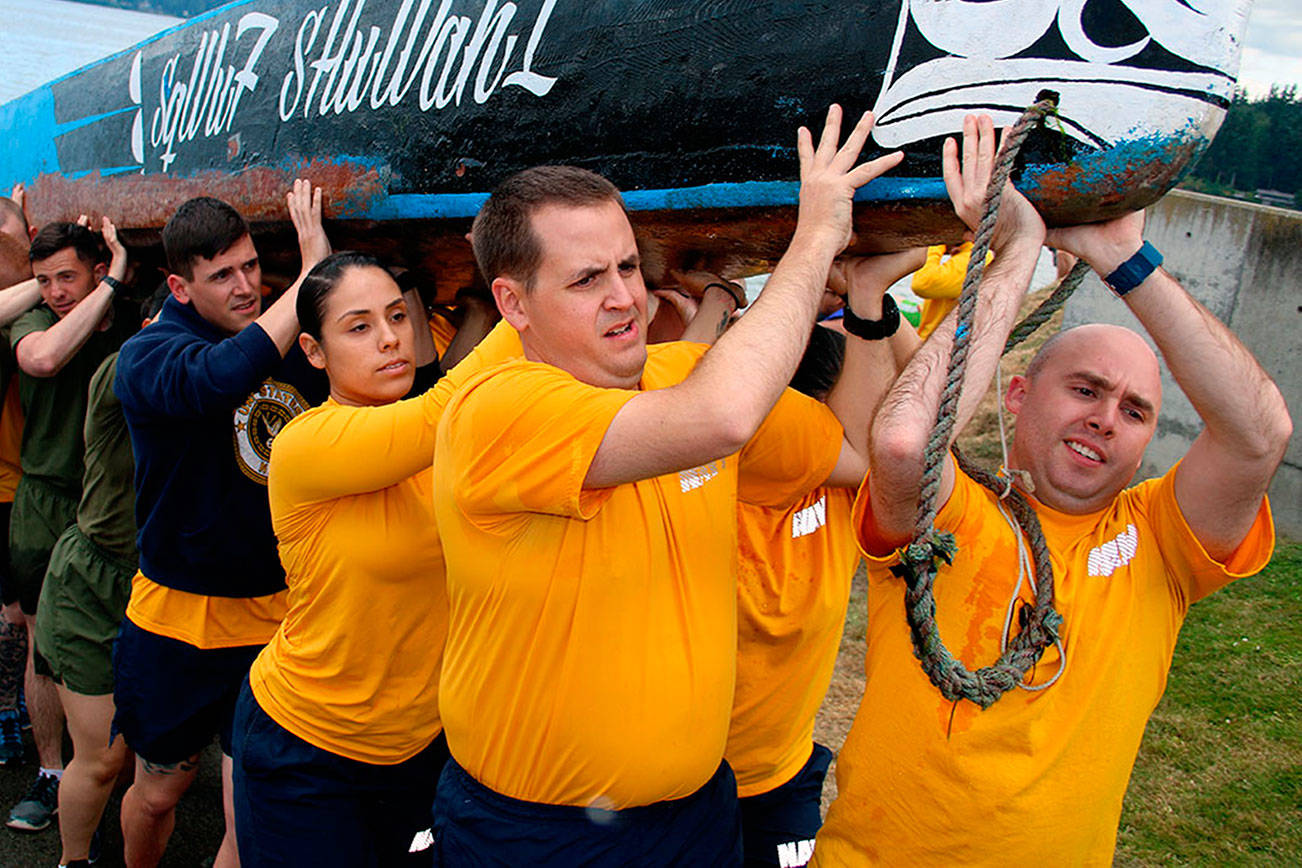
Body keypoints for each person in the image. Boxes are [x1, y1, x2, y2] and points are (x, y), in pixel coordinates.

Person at [812, 115, 1291, 864]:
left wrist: (1122, 256)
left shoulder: (1160, 541)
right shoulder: (957, 511)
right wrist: (1017, 250)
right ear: (1017, 394)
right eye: (1086, 389)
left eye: (1135, 411)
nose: (1105, 419)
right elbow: (906, 442)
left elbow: (1259, 435)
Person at [430, 105, 902, 864]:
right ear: (513, 304)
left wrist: (872, 306)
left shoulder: (679, 375)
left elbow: (860, 451)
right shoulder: (496, 411)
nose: (623, 297)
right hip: (538, 838)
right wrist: (815, 237)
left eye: (626, 267)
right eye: (587, 280)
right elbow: (721, 417)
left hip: (697, 816)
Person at [229, 251, 510, 867]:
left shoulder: (444, 446)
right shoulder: (305, 444)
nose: (390, 340)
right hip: (306, 743)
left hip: (417, 748)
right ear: (313, 351)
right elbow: (441, 411)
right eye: (359, 327)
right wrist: (530, 293)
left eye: (397, 317)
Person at [112, 183, 330, 868]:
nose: (246, 286)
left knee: (250, 811)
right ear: (179, 287)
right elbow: (216, 381)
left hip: (274, 617)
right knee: (159, 790)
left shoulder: (296, 337)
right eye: (222, 276)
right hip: (180, 619)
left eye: (250, 265)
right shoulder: (149, 354)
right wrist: (311, 276)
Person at [726, 249, 924, 868]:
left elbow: (926, 398)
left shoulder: (843, 491)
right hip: (675, 780)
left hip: (780, 777)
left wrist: (873, 301)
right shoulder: (705, 475)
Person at [7, 219, 135, 834]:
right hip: (47, 499)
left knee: (126, 635)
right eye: (44, 281)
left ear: (94, 266)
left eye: (67, 277)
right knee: (44, 647)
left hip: (114, 507)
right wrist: (105, 282)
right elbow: (46, 357)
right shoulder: (36, 323)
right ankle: (52, 771)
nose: (57, 291)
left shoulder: (133, 317)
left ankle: (116, 762)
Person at [33, 286, 167, 867]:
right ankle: (73, 860)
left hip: (159, 587)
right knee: (102, 756)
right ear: (145, 326)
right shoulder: (124, 369)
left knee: (152, 757)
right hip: (91, 583)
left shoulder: (206, 386)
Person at [909, 235, 990, 340]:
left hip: (940, 346)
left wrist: (935, 244)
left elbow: (922, 284)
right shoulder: (967, 254)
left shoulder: (975, 258)